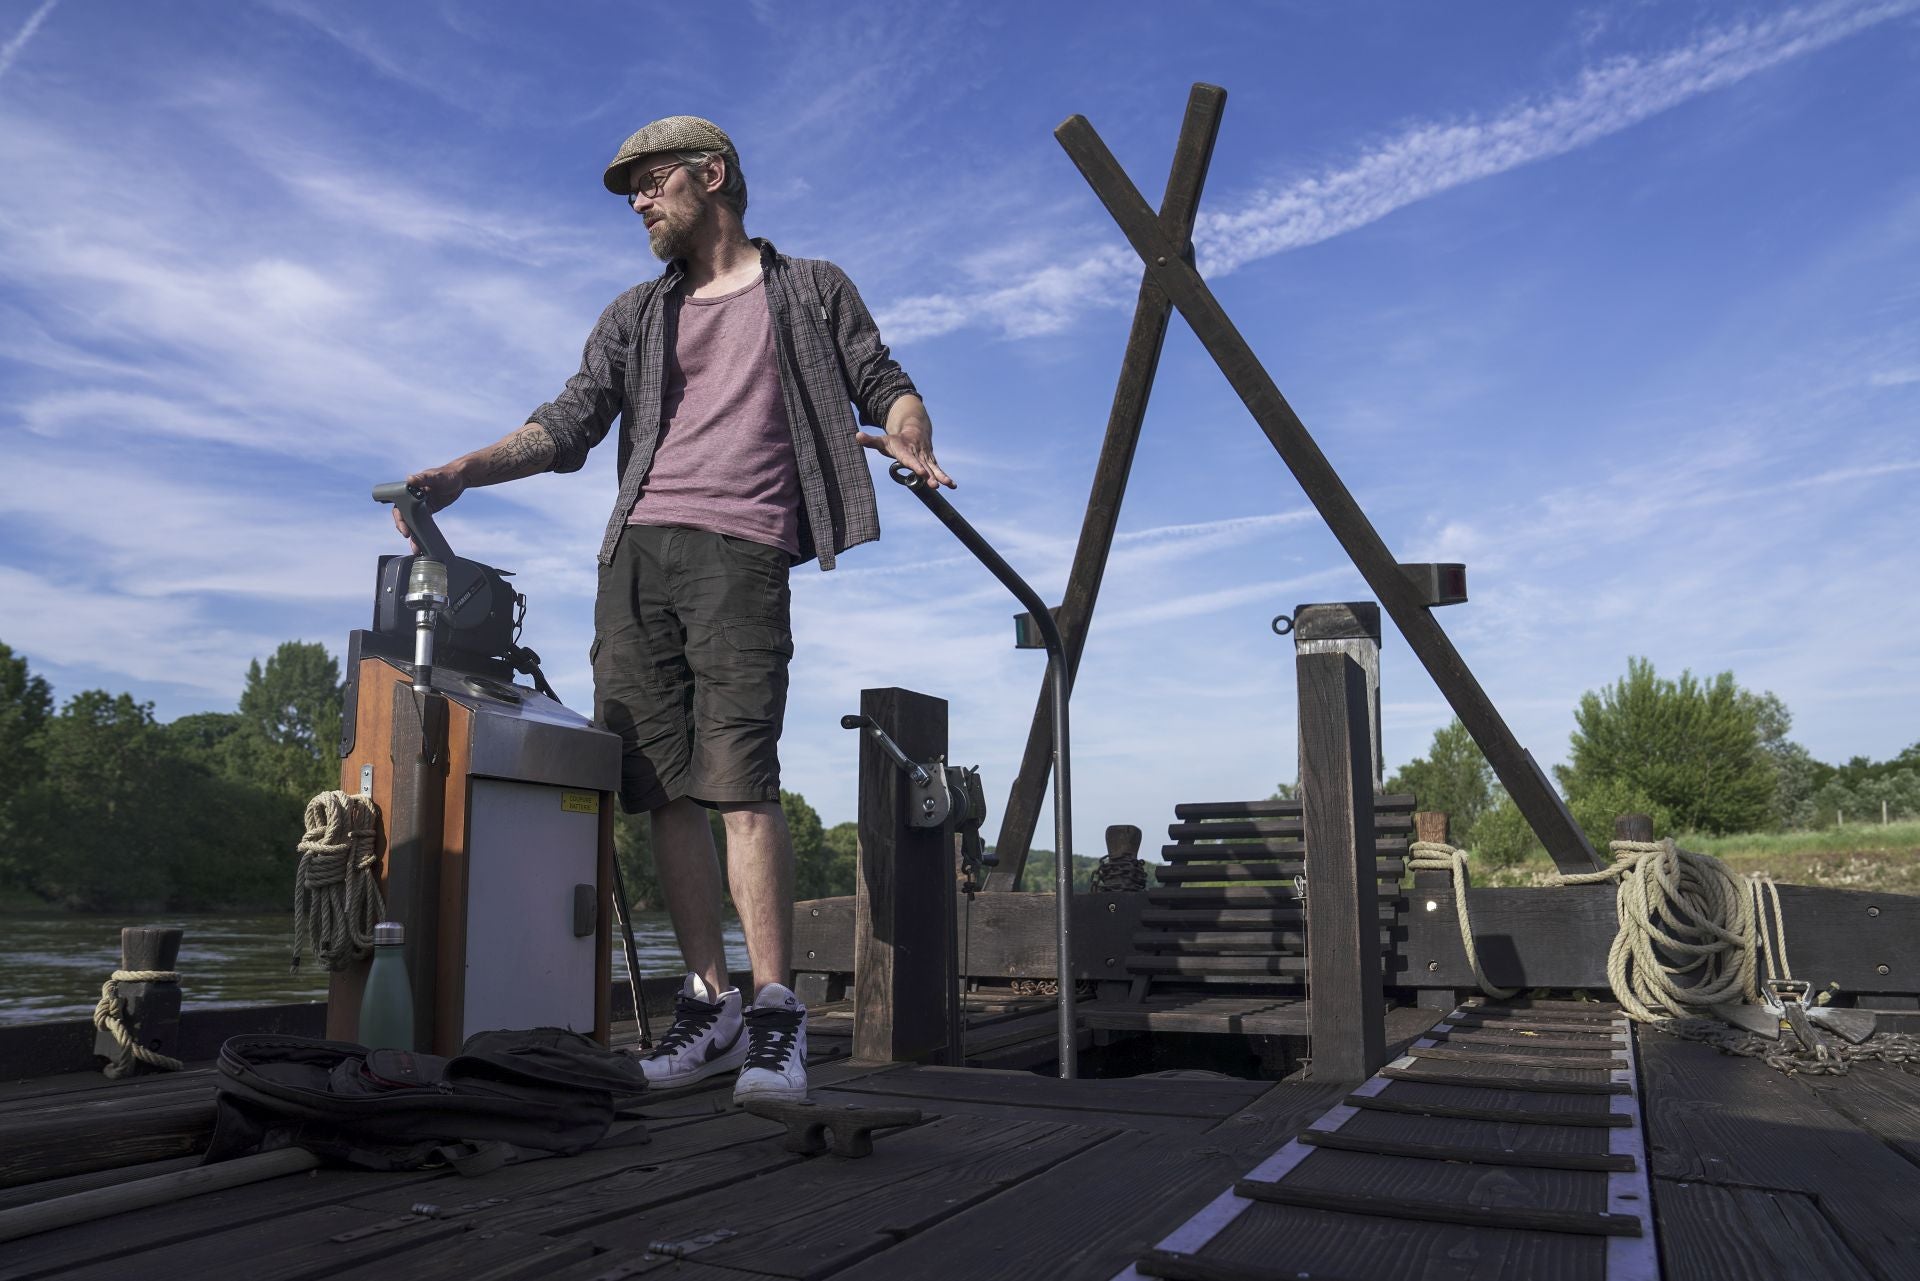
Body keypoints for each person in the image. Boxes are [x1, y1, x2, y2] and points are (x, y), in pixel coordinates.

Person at [393, 115, 952, 1101]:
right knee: (662, 788)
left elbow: (886, 383)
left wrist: (906, 435)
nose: (639, 204)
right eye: (631, 194)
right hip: (634, 557)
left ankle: (777, 1014)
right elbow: (566, 426)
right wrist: (463, 473)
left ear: (713, 174)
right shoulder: (634, 315)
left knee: (740, 781)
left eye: (650, 184)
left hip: (743, 554)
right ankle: (711, 1008)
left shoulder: (812, 289)